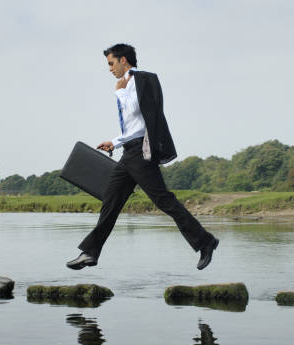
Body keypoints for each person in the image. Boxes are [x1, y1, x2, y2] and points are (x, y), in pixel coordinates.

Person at [66, 43, 219, 270]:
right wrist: (115, 142)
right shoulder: (125, 84)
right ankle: (90, 253)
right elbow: (133, 125)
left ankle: (205, 241)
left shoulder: (140, 80)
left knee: (164, 200)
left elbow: (143, 114)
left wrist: (119, 91)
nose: (109, 69)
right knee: (110, 202)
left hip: (140, 153)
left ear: (123, 60)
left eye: (111, 63)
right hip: (129, 152)